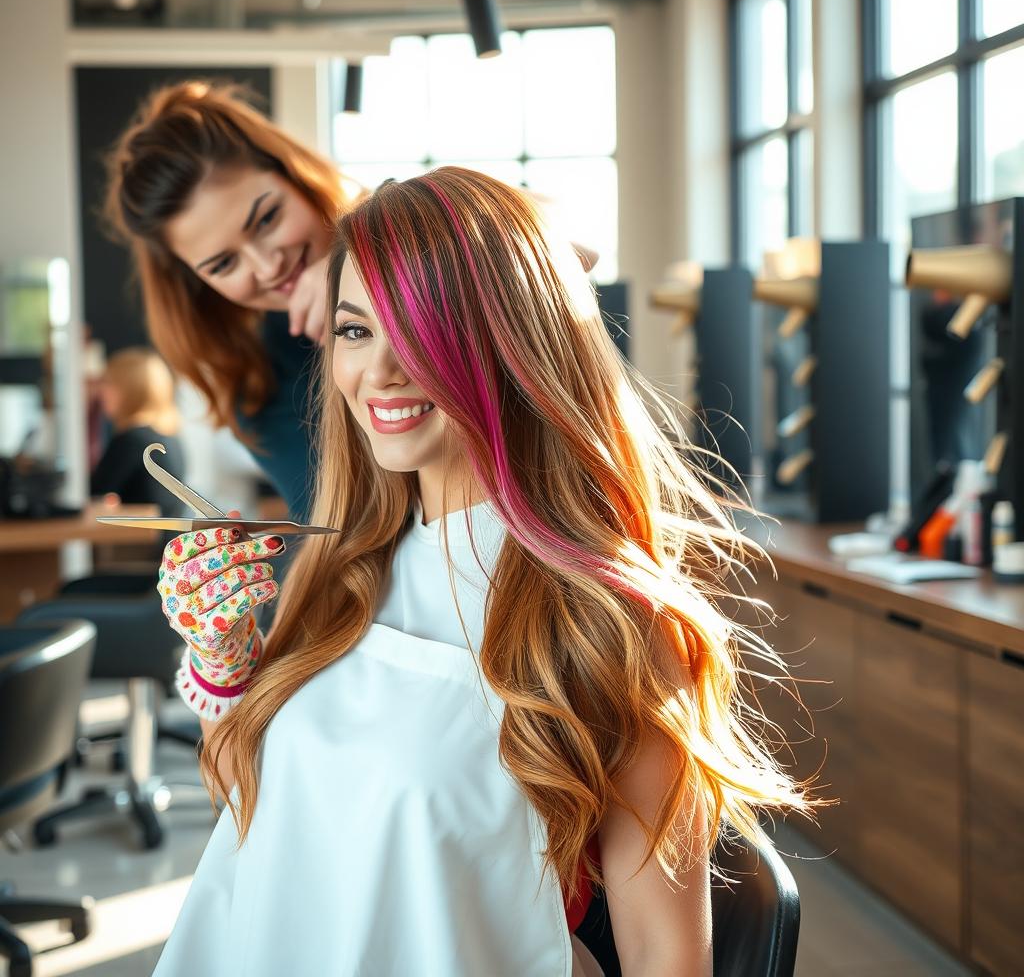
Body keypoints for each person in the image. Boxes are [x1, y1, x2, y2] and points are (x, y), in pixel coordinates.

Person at [153, 168, 812, 976]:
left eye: (424, 330)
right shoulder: (343, 567)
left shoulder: (607, 621)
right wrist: (221, 657)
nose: (380, 373)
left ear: (515, 342)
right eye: (356, 331)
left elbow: (666, 959)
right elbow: (258, 802)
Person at [104, 80, 354, 523]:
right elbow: (341, 527)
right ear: (200, 284)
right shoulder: (258, 380)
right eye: (223, 265)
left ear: (294, 173)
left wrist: (365, 262)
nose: (266, 266)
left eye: (267, 218)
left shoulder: (425, 248)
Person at [90, 346, 185, 517]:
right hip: (170, 540)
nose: (101, 392)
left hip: (142, 542)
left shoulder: (131, 440)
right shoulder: (169, 436)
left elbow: (93, 494)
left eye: (108, 383)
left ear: (130, 390)